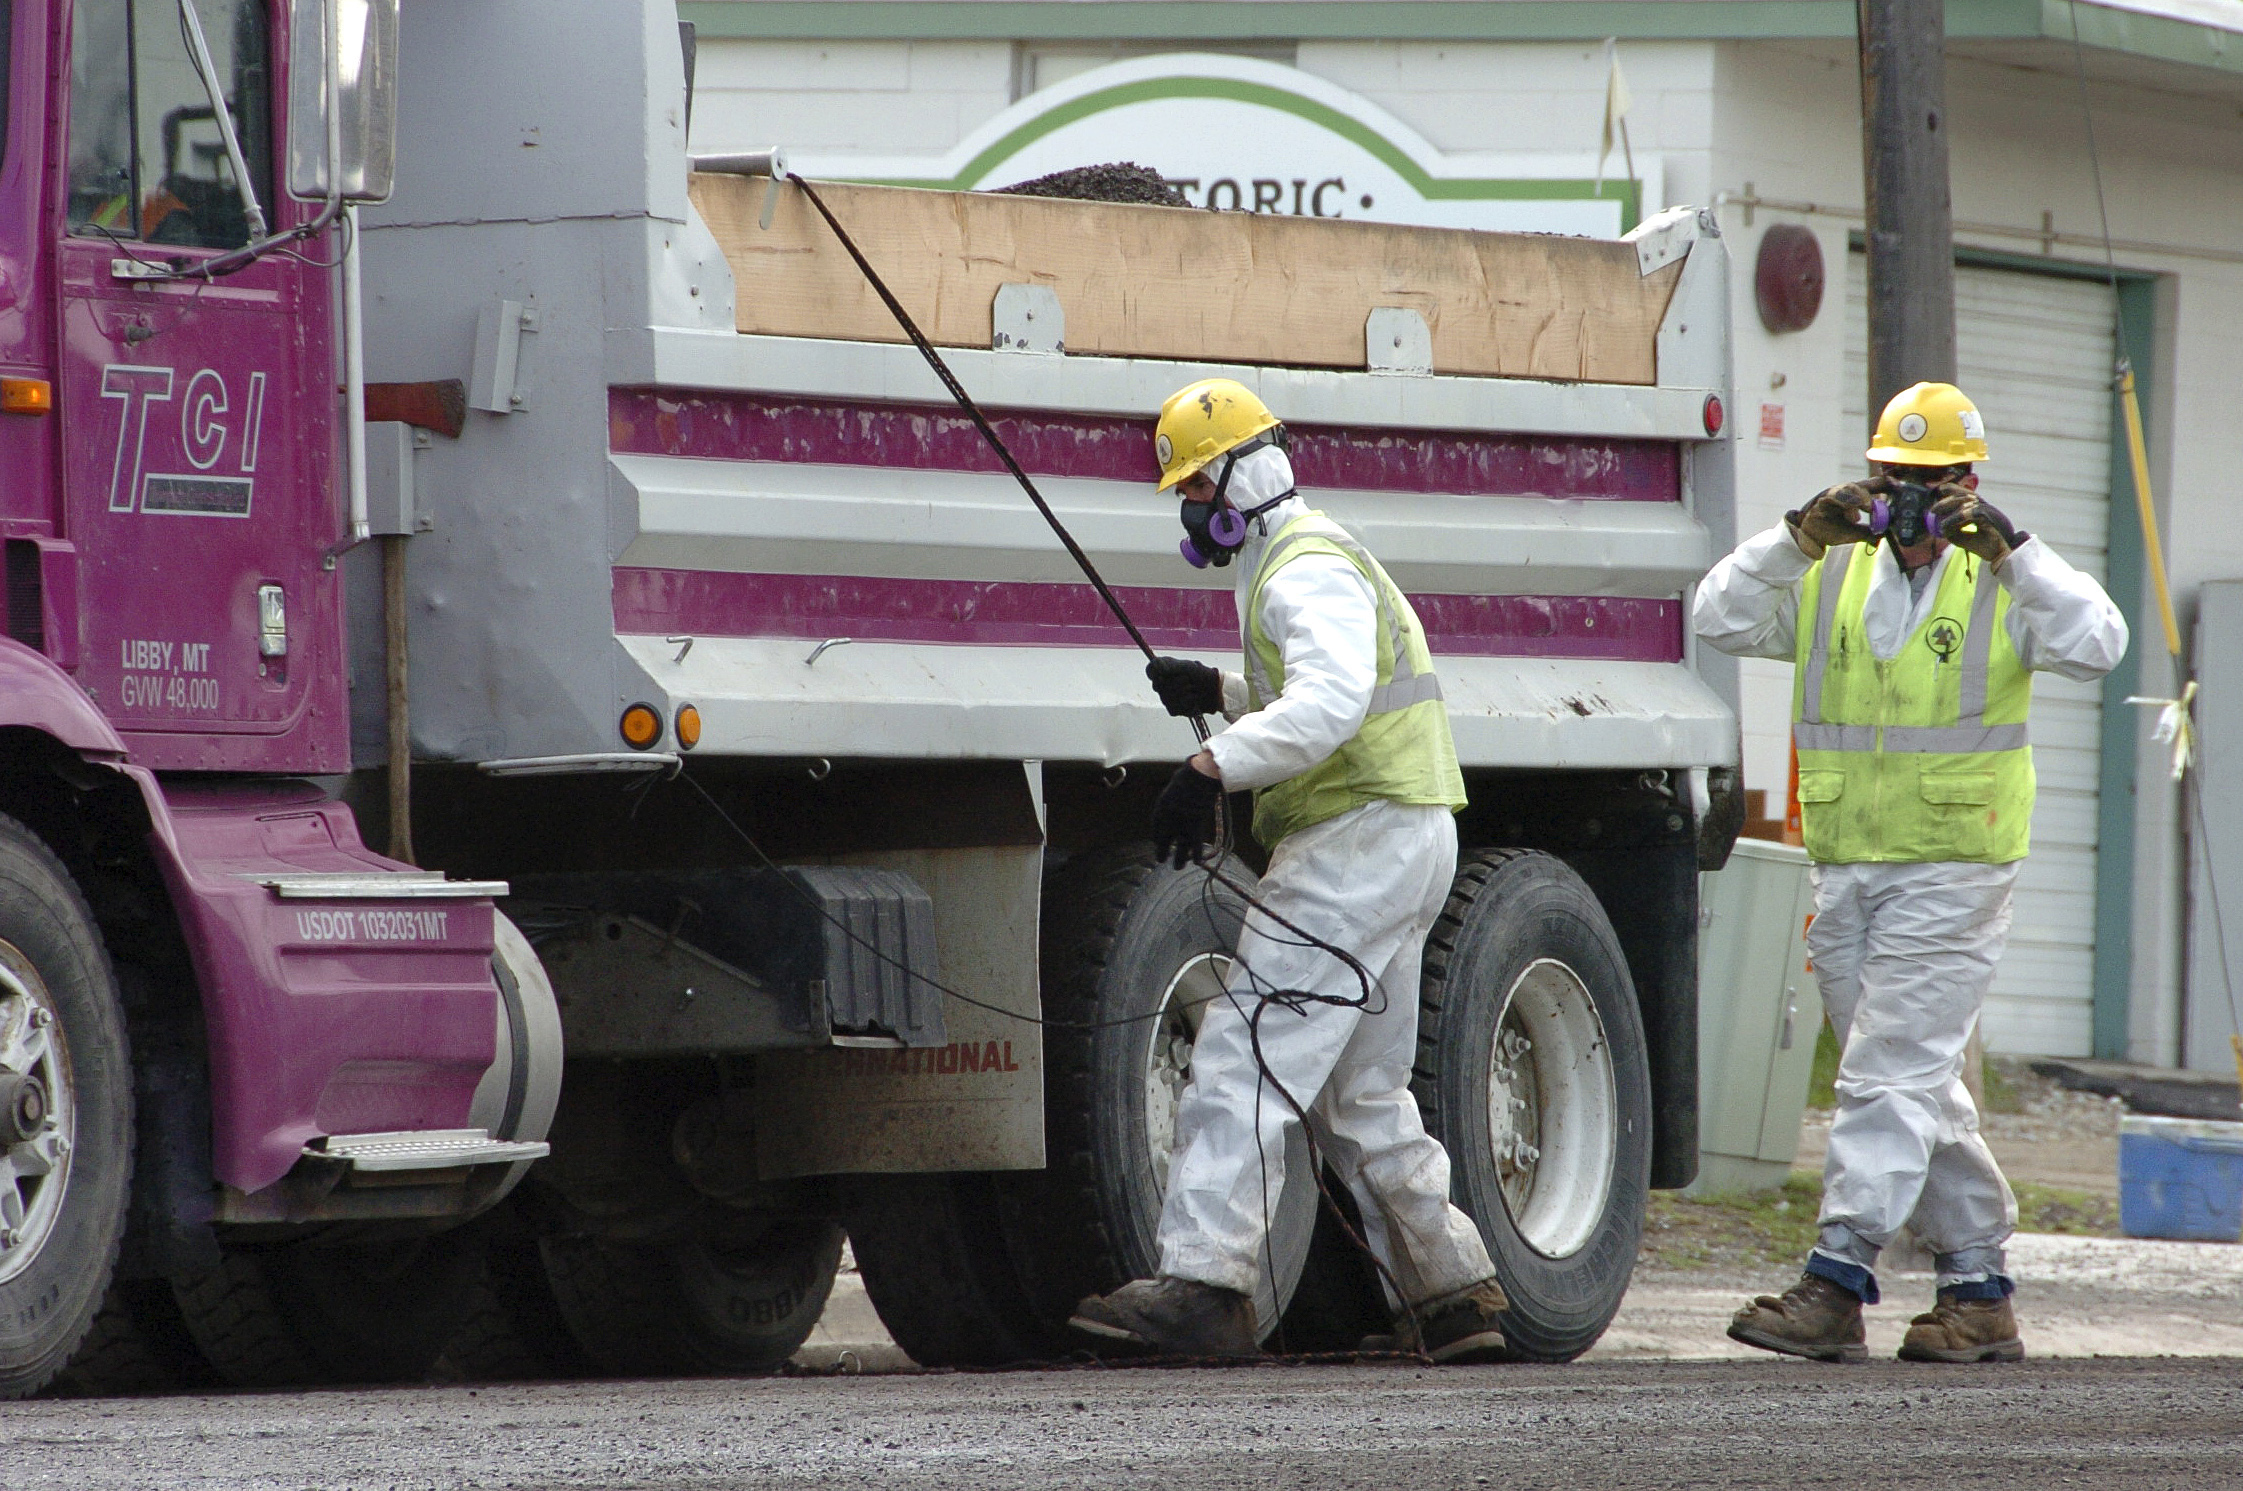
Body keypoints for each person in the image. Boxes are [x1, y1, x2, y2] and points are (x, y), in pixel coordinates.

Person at [1067, 378, 1508, 1361]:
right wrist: (1221, 693)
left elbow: (1332, 701)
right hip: (1399, 834)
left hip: (1357, 843)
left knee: (1245, 1053)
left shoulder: (1299, 565)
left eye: (1191, 488)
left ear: (1235, 478)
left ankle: (1204, 1284)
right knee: (1358, 1091)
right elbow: (1315, 689)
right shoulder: (1297, 558)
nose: (1187, 511)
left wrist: (1206, 765)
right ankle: (1450, 1291)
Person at [1695, 381, 2128, 1363]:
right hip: (1846, 865)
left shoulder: (2003, 585)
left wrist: (2014, 552)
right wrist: (1792, 538)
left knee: (1885, 1076)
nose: (1910, 503)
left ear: (1969, 484)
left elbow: (2099, 642)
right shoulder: (1828, 573)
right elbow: (1714, 617)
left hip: (1954, 868)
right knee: (1906, 1084)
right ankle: (1976, 1289)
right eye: (1896, 479)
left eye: (1933, 484)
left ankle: (1835, 1278)